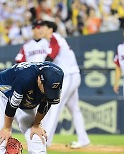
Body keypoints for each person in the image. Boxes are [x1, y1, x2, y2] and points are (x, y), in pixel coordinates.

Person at [15, 20, 90, 149]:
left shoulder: (55, 38)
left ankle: (45, 141)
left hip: (69, 75)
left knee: (54, 106)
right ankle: (83, 139)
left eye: (43, 27)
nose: (41, 30)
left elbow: (50, 57)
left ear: (50, 29)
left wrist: (38, 72)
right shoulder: (51, 40)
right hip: (70, 75)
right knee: (74, 109)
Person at [0, 61, 64, 154]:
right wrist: (7, 128)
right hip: (1, 94)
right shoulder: (25, 78)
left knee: (37, 137)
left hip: (25, 99)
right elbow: (12, 105)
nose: (48, 92)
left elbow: (48, 101)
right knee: (1, 139)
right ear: (40, 80)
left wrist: (36, 125)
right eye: (47, 89)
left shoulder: (57, 75)